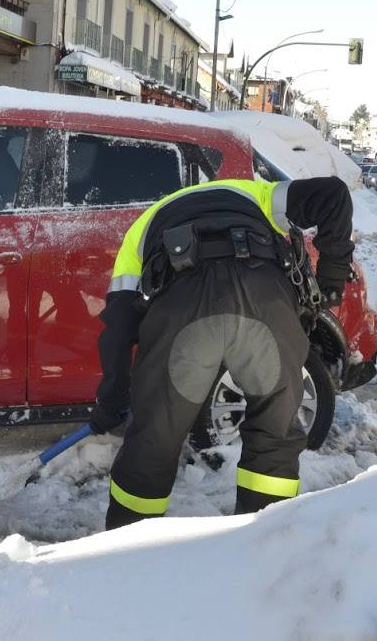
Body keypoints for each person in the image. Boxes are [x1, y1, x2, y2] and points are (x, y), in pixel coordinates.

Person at [88, 175, 355, 530]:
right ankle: (267, 546)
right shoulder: (256, 193)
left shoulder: (140, 229)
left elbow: (119, 330)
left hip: (185, 315)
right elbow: (333, 194)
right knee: (274, 438)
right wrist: (331, 283)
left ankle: (125, 548)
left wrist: (110, 404)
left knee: (154, 442)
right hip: (266, 302)